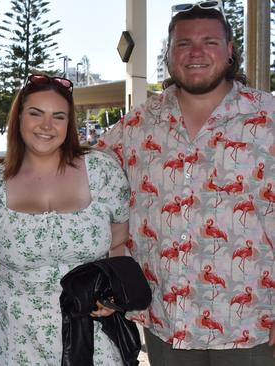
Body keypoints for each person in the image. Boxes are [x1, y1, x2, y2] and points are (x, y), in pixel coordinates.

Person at [98, 3, 275, 365]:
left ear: (229, 51)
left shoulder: (268, 118)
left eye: (209, 41)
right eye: (183, 44)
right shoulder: (136, 126)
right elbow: (87, 183)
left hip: (251, 323)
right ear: (168, 54)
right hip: (167, 320)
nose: (196, 52)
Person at [0, 73, 130, 365]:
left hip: (89, 330)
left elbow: (119, 239)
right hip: (16, 333)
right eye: (36, 113)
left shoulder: (102, 171)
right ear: (18, 118)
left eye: (58, 116)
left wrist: (112, 291)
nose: (46, 125)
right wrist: (25, 257)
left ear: (68, 124)